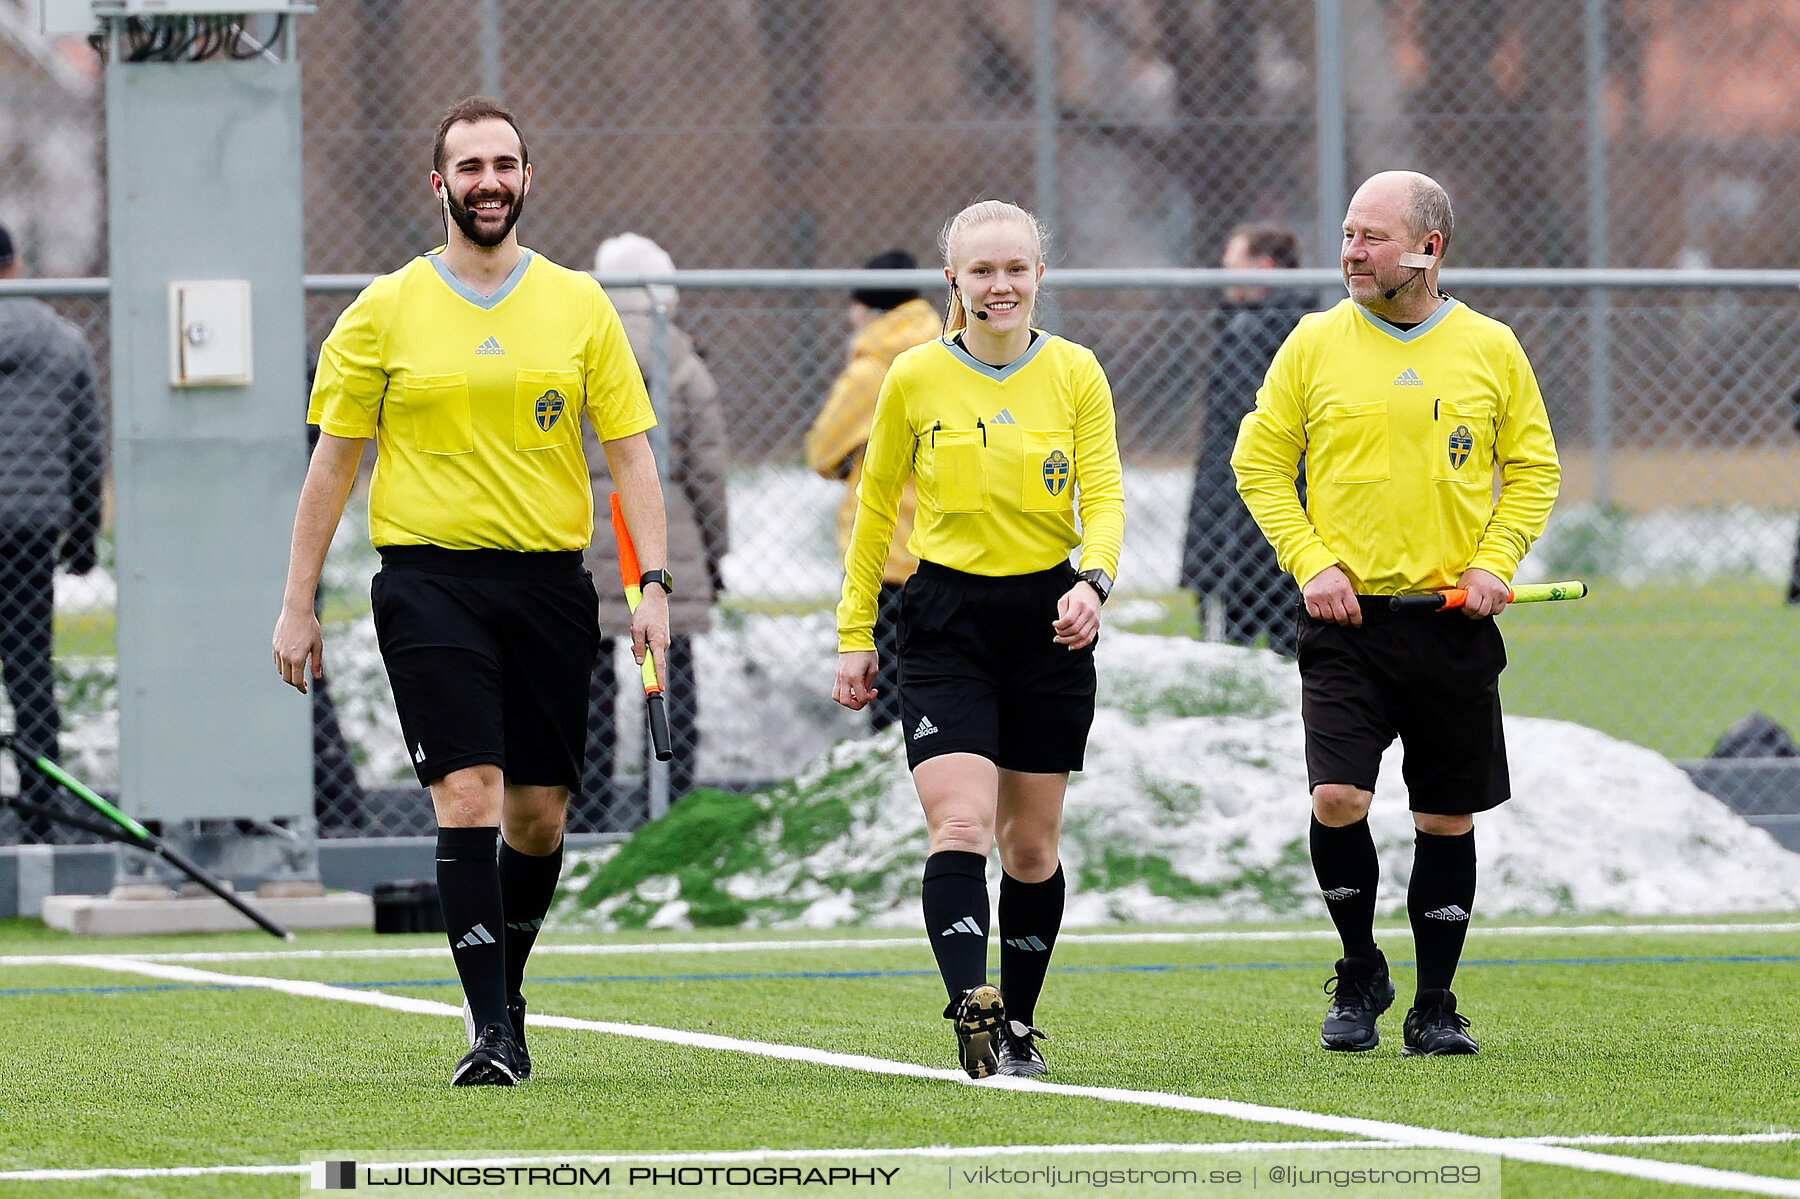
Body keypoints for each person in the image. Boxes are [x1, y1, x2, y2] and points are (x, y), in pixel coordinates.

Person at [272, 97, 670, 1087]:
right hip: (429, 582)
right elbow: (331, 466)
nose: (488, 181)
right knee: (470, 797)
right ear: (438, 183)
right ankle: (490, 1027)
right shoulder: (383, 308)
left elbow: (633, 459)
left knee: (538, 818)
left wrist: (650, 581)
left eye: (505, 164)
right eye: (470, 165)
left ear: (527, 178)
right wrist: (296, 598)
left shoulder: (580, 304)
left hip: (548, 586)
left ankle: (508, 984)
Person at [1232, 170, 1560, 1057]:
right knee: (1338, 797)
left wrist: (1496, 563)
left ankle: (1436, 1002)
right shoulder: (1310, 343)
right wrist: (1312, 561)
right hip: (1346, 629)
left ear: (1430, 248)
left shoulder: (1491, 348)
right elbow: (1258, 465)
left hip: (1452, 627)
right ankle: (1358, 966)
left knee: (1444, 819)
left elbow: (1533, 470)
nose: (1351, 252)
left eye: (1371, 237)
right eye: (1346, 234)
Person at [831, 200, 1125, 1079]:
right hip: (945, 622)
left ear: (1041, 275)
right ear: (952, 280)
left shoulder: (1076, 373)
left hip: (1048, 621)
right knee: (959, 822)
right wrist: (854, 632)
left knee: (1030, 847)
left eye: (1016, 268)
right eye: (982, 271)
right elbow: (875, 507)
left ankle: (1020, 1023)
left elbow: (1104, 497)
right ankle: (972, 1004)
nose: (1001, 285)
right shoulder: (915, 375)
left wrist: (1093, 581)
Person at [581, 232, 728, 817]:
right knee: (669, 668)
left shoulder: (581, 354)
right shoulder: (683, 361)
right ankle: (670, 795)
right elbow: (706, 468)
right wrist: (716, 548)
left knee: (587, 677)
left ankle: (586, 805)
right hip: (667, 538)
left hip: (589, 534)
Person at [805, 250, 941, 731]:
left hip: (889, 551)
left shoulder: (872, 371)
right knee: (938, 686)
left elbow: (821, 450)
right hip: (947, 547)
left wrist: (854, 455)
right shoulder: (947, 351)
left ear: (866, 306)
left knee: (887, 684)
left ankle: (895, 769)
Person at [0, 222, 103, 846]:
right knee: (30, 667)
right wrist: (84, 534)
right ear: (15, 264)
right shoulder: (61, 340)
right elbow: (85, 446)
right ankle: (42, 808)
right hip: (31, 531)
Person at [1180, 224, 1313, 657]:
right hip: (1236, 521)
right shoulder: (1242, 325)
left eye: (1233, 261)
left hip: (1256, 526)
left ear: (1265, 266)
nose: (1223, 269)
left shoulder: (1269, 332)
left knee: (1267, 644)